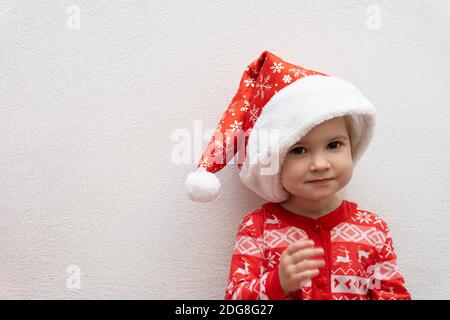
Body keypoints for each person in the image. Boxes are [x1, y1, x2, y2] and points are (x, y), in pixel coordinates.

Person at [185, 51, 411, 300]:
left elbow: (395, 295)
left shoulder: (373, 229)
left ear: (353, 146)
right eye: (299, 150)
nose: (320, 164)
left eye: (334, 145)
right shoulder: (257, 229)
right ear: (275, 161)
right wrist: (276, 283)